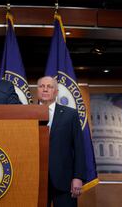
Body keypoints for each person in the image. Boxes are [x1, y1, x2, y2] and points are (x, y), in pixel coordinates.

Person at [37, 76, 86, 207]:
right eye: (42, 86)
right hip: (35, 180)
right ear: (37, 90)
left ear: (56, 92)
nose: (45, 89)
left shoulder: (70, 114)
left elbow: (79, 147)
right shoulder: (27, 114)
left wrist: (78, 177)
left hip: (64, 181)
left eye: (50, 86)